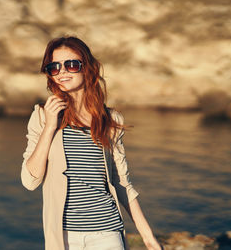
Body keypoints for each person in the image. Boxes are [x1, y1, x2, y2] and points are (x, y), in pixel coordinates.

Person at [20, 36, 162, 250]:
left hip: (107, 233)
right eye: (54, 67)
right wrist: (50, 127)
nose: (63, 72)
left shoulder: (111, 120)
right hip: (65, 236)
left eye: (71, 64)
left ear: (88, 68)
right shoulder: (42, 116)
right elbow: (29, 181)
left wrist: (149, 238)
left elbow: (122, 183)